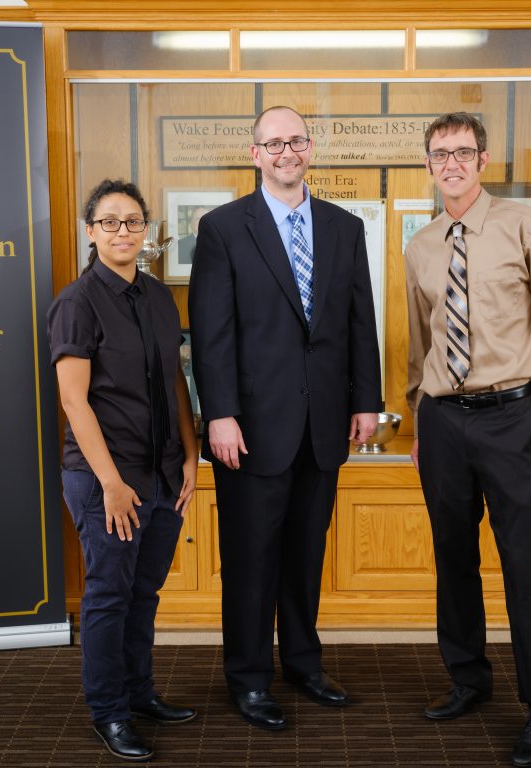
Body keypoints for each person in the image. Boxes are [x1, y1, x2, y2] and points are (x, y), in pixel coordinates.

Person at [189, 106, 382, 730]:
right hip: (249, 429)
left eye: (295, 141)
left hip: (324, 426)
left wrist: (364, 400)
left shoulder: (344, 227)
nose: (285, 152)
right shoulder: (221, 229)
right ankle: (248, 678)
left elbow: (360, 323)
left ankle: (303, 662)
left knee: (305, 553)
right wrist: (218, 413)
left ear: (312, 147)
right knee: (251, 560)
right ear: (254, 153)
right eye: (273, 143)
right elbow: (211, 333)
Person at [404, 112, 531, 768]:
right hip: (443, 421)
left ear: (483, 160)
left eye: (462, 152)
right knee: (453, 557)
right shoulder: (419, 247)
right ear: (429, 164)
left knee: (524, 563)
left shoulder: (524, 226)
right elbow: (420, 341)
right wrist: (420, 413)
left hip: (512, 418)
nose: (450, 162)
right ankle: (468, 680)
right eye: (439, 153)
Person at [48, 179, 199, 762]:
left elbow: (175, 385)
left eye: (132, 222)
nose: (121, 232)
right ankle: (108, 712)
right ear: (91, 232)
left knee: (144, 591)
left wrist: (189, 454)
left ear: (147, 233)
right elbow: (74, 401)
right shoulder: (77, 301)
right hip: (104, 476)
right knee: (109, 595)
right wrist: (111, 483)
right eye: (109, 222)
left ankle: (140, 694)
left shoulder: (160, 298)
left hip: (162, 472)